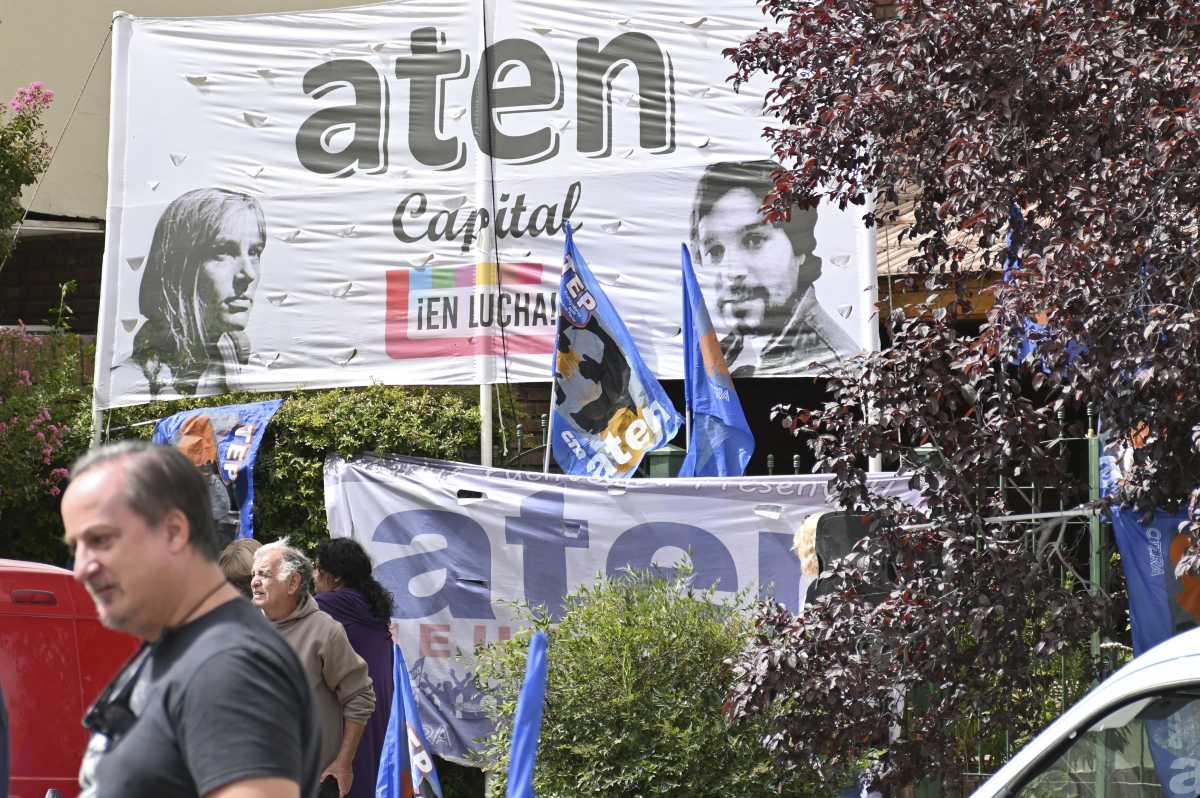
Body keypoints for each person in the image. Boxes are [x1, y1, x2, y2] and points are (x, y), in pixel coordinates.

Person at [59, 440, 319, 798]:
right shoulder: (190, 648)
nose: (81, 569)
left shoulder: (231, 667)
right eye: (76, 548)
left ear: (174, 531)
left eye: (100, 539)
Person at [689, 160, 860, 376]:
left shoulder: (837, 367)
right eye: (715, 251)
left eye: (753, 240)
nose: (732, 271)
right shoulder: (721, 353)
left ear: (799, 248)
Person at [253, 539, 375, 798]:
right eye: (254, 574)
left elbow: (360, 696)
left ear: (293, 582)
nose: (254, 582)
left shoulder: (325, 631)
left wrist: (344, 762)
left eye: (264, 574)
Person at [127, 187, 266, 398]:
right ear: (179, 267)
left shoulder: (240, 364)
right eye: (224, 251)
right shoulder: (130, 382)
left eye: (254, 252)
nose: (248, 274)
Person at [313, 539, 396, 798]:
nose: (313, 576)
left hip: (355, 703)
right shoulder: (369, 603)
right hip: (378, 702)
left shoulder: (329, 604)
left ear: (334, 577)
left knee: (346, 775)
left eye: (317, 569)